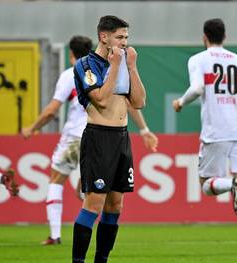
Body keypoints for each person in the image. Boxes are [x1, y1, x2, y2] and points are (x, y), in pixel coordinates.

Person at [21, 36, 158, 246]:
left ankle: (55, 234)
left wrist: (32, 128)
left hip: (83, 137)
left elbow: (52, 109)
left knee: (56, 181)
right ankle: (83, 185)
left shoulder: (72, 72)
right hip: (103, 137)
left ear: (70, 54)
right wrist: (145, 129)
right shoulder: (106, 68)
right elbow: (128, 105)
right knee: (99, 197)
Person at [172, 18, 237, 254]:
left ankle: (232, 185)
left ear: (204, 36)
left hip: (216, 131)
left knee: (206, 186)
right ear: (225, 37)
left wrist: (181, 102)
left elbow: (197, 88)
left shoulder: (198, 60)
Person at [72, 15, 149, 263]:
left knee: (115, 206)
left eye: (126, 37)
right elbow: (102, 99)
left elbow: (138, 102)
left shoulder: (125, 62)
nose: (124, 42)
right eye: (119, 37)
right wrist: (116, 66)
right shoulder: (86, 64)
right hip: (98, 138)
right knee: (93, 205)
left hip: (122, 138)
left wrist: (133, 67)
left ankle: (101, 260)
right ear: (104, 37)